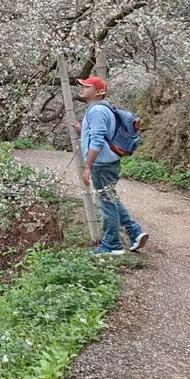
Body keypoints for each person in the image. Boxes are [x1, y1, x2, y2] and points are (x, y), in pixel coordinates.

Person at [74, 76, 149, 255]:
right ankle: (135, 232)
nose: (82, 87)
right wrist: (82, 130)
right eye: (82, 85)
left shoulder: (97, 110)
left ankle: (112, 244)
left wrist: (87, 167)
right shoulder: (102, 109)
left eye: (87, 86)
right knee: (111, 198)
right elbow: (99, 133)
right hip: (109, 163)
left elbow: (98, 139)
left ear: (99, 92)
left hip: (102, 165)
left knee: (106, 202)